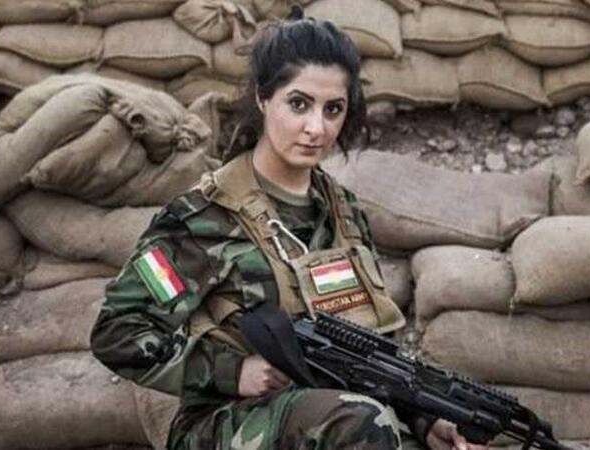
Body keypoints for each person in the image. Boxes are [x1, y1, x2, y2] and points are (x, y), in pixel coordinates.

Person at [90, 10, 488, 450]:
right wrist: (232, 372)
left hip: (338, 414)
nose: (317, 128)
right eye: (299, 104)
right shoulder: (204, 218)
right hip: (227, 423)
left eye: (333, 109)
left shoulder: (345, 214)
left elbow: (370, 357)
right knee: (362, 421)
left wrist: (423, 420)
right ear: (264, 98)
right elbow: (118, 332)